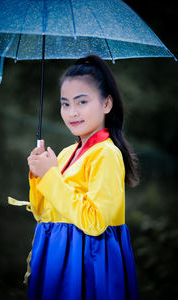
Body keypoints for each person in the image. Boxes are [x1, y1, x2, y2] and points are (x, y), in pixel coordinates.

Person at [26, 54, 140, 300]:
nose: (72, 112)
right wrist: (39, 176)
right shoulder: (67, 153)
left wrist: (52, 177)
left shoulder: (107, 154)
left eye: (82, 102)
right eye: (65, 103)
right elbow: (43, 212)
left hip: (88, 262)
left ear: (106, 104)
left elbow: (95, 221)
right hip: (56, 255)